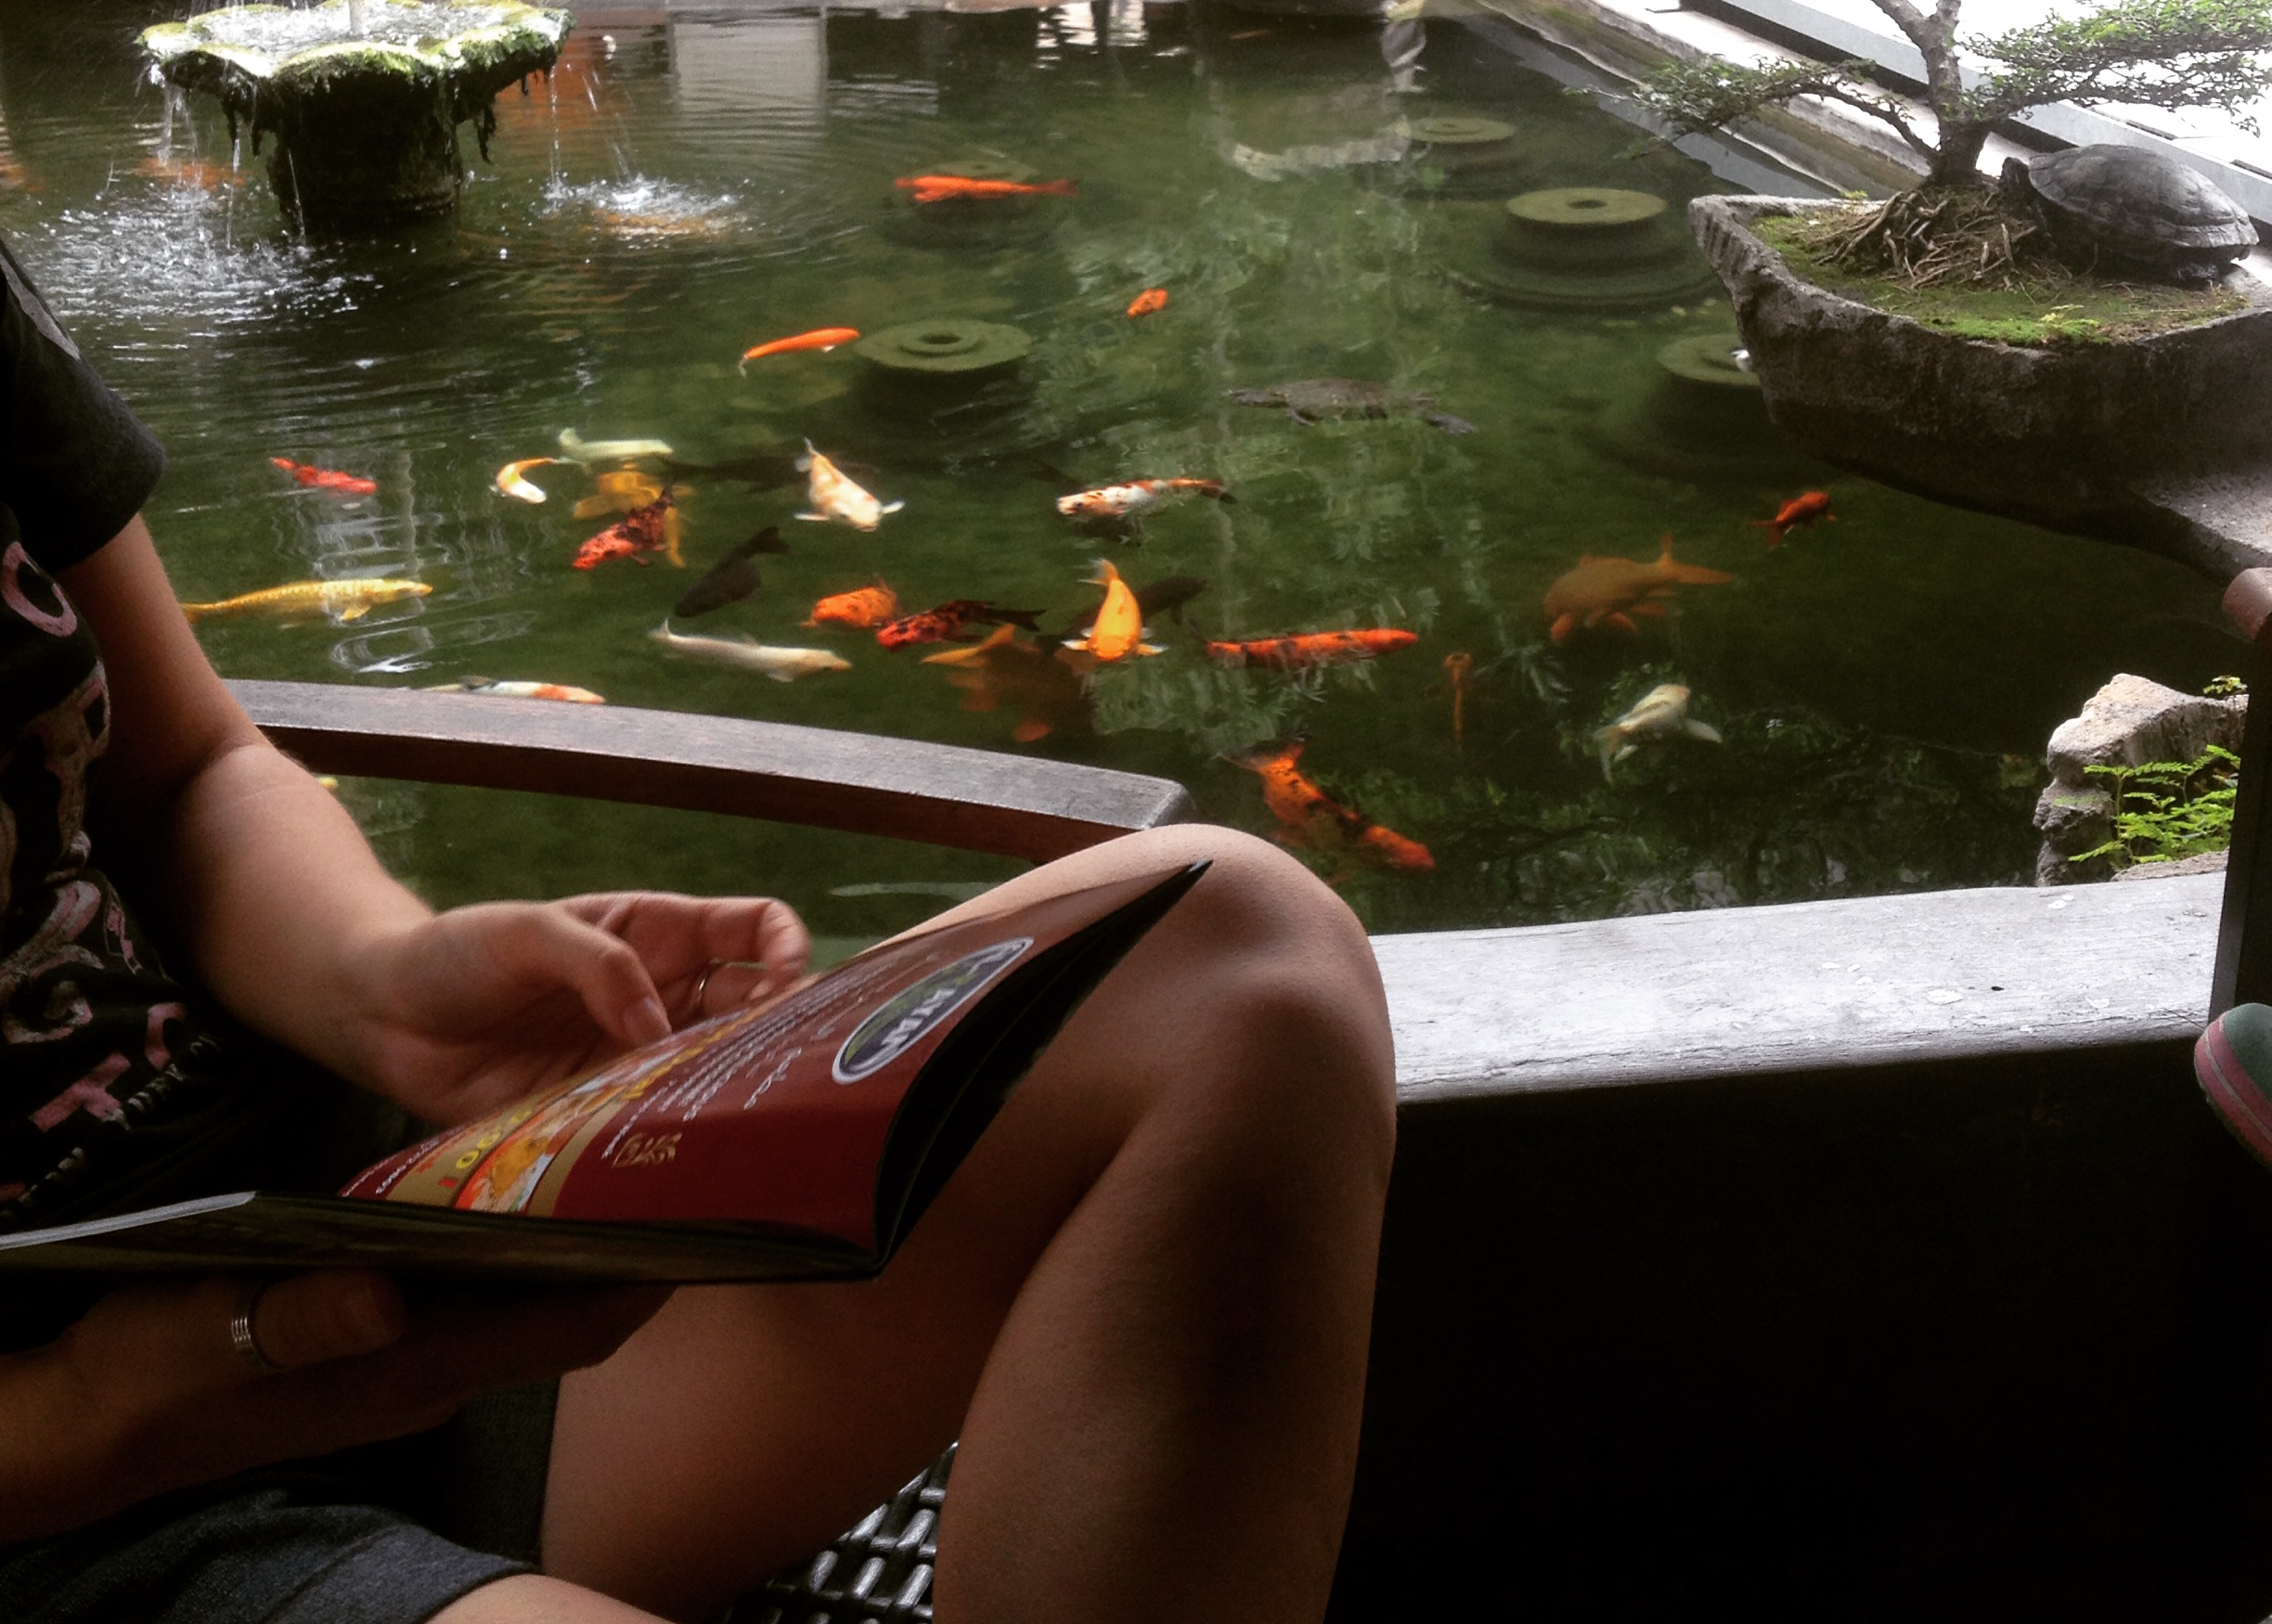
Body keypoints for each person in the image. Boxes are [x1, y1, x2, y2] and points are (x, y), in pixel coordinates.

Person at [0, 231, 1396, 1620]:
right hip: (67, 1498)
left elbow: (186, 767)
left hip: (351, 1231)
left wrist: (379, 981)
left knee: (1243, 957)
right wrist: (89, 1411)